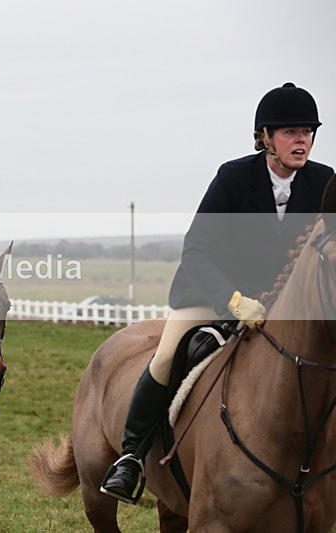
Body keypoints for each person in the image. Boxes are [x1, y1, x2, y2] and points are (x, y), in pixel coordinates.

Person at [100, 82, 334, 504]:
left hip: (282, 309)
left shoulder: (324, 182)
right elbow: (197, 250)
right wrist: (234, 300)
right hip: (211, 294)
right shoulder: (234, 177)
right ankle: (131, 456)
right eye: (290, 132)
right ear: (265, 137)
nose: (302, 140)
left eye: (308, 131)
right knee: (169, 354)